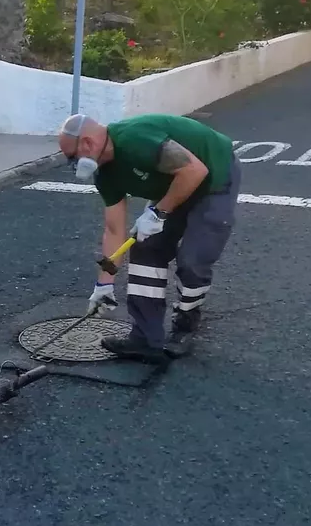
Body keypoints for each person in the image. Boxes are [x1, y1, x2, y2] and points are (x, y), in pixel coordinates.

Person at [58, 112, 241, 365]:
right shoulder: (105, 174)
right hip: (175, 183)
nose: (73, 165)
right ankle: (145, 337)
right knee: (145, 248)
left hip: (213, 177)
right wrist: (104, 284)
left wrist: (158, 212)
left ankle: (186, 322)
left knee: (193, 258)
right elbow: (114, 230)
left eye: (72, 157)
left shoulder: (136, 140)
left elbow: (195, 170)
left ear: (87, 143)